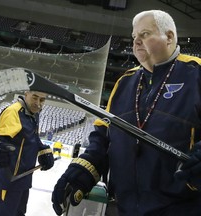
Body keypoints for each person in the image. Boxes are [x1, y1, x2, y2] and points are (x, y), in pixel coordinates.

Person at [52, 10, 201, 216]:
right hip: (125, 208)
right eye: (134, 37)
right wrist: (81, 173)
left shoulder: (196, 74)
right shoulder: (124, 83)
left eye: (145, 34)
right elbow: (102, 140)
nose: (136, 41)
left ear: (169, 37)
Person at [0, 91, 54, 216]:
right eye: (35, 98)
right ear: (26, 94)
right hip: (9, 180)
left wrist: (44, 150)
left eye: (42, 100)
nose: (38, 104)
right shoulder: (14, 112)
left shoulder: (33, 113)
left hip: (24, 179)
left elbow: (33, 138)